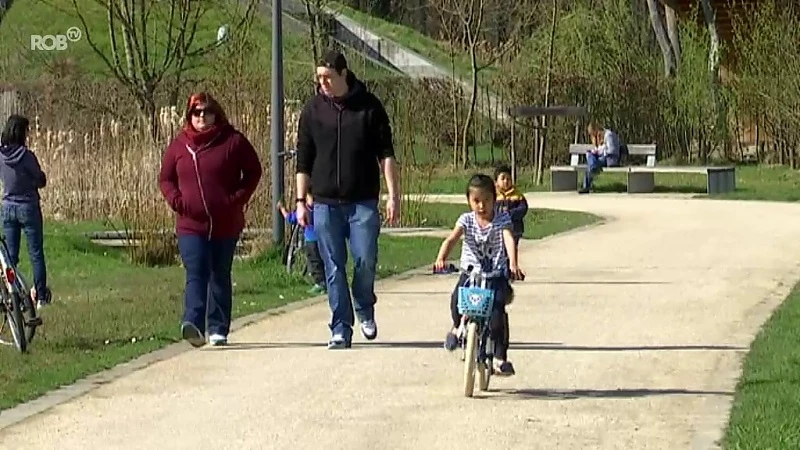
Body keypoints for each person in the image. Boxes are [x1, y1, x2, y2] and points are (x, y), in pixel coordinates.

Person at [294, 49, 400, 349]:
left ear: (343, 74)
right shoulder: (313, 111)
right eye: (319, 77)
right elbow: (303, 160)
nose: (323, 82)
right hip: (325, 203)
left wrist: (393, 196)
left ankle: (364, 305)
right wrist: (301, 201)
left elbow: (387, 155)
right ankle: (341, 326)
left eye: (328, 77)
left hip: (363, 201)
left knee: (365, 260)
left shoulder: (369, 107)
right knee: (334, 266)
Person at [159, 92, 262, 348]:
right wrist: (177, 201)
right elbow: (165, 179)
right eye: (196, 112)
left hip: (225, 223)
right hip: (190, 224)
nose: (202, 116)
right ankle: (193, 322)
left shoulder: (232, 141)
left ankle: (218, 327)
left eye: (207, 111)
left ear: (216, 113)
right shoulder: (180, 145)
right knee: (196, 271)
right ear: (189, 116)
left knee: (219, 273)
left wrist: (236, 199)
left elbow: (253, 171)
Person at [433, 174, 525, 376]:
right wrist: (441, 258)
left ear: (495, 199)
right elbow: (451, 240)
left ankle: (501, 359)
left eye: (486, 201)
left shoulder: (502, 219)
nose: (481, 206)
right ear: (469, 201)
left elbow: (509, 239)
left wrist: (513, 265)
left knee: (498, 313)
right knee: (458, 298)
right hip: (471, 273)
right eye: (476, 201)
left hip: (495, 275)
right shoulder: (466, 220)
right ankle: (458, 328)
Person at [0, 114, 52, 309]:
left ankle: (11, 296)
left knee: (10, 257)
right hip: (28, 207)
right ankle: (40, 297)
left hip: (7, 207)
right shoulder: (27, 156)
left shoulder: (1, 156)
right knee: (36, 253)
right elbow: (40, 180)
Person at [277, 192, 326, 295]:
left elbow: (291, 218)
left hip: (311, 239)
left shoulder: (306, 210)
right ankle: (325, 281)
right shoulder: (321, 209)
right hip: (322, 239)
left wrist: (282, 209)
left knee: (314, 261)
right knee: (322, 260)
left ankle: (320, 283)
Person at [494, 164, 528, 260]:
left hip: (515, 229)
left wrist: (510, 214)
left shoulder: (517, 195)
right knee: (499, 251)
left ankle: (512, 267)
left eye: (508, 179)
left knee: (511, 249)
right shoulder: (493, 196)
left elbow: (523, 208)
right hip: (498, 230)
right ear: (496, 182)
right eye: (503, 178)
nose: (506, 181)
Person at [579, 122, 622, 194]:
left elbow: (612, 150)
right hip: (602, 157)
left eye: (594, 133)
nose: (594, 136)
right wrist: (596, 151)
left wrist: (601, 152)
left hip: (610, 158)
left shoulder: (609, 135)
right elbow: (600, 149)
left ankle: (586, 187)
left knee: (591, 164)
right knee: (590, 156)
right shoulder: (599, 137)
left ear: (597, 129)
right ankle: (593, 168)